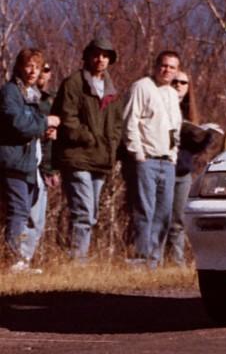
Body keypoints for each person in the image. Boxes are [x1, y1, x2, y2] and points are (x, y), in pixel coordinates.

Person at [52, 37, 123, 262]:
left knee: (90, 214)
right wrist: (88, 137)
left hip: (101, 159)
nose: (100, 59)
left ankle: (76, 257)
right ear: (88, 56)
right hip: (77, 156)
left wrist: (111, 143)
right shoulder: (73, 83)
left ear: (110, 59)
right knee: (83, 213)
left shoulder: (111, 88)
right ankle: (77, 262)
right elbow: (67, 117)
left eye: (105, 55)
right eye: (96, 54)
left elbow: (117, 123)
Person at [0, 49, 60, 273]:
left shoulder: (31, 93)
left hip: (28, 162)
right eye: (29, 65)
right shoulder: (11, 92)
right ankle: (12, 261)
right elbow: (17, 123)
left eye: (38, 66)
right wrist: (45, 123)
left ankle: (19, 261)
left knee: (24, 210)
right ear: (19, 66)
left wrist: (44, 133)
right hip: (13, 161)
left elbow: (30, 126)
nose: (34, 70)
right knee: (18, 210)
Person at [123, 50, 182, 268]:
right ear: (156, 65)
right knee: (144, 211)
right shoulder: (142, 87)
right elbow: (130, 121)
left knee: (164, 214)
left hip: (167, 161)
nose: (167, 70)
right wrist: (138, 154)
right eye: (164, 65)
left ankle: (154, 262)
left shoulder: (172, 94)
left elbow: (174, 128)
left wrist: (173, 156)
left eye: (172, 67)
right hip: (146, 159)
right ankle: (140, 259)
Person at [163, 71, 214, 267]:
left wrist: (206, 137)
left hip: (183, 171)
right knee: (159, 218)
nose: (178, 85)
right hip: (163, 167)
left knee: (179, 220)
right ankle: (154, 260)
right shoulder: (161, 104)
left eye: (183, 82)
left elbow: (193, 150)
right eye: (175, 81)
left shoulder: (190, 112)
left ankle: (176, 262)